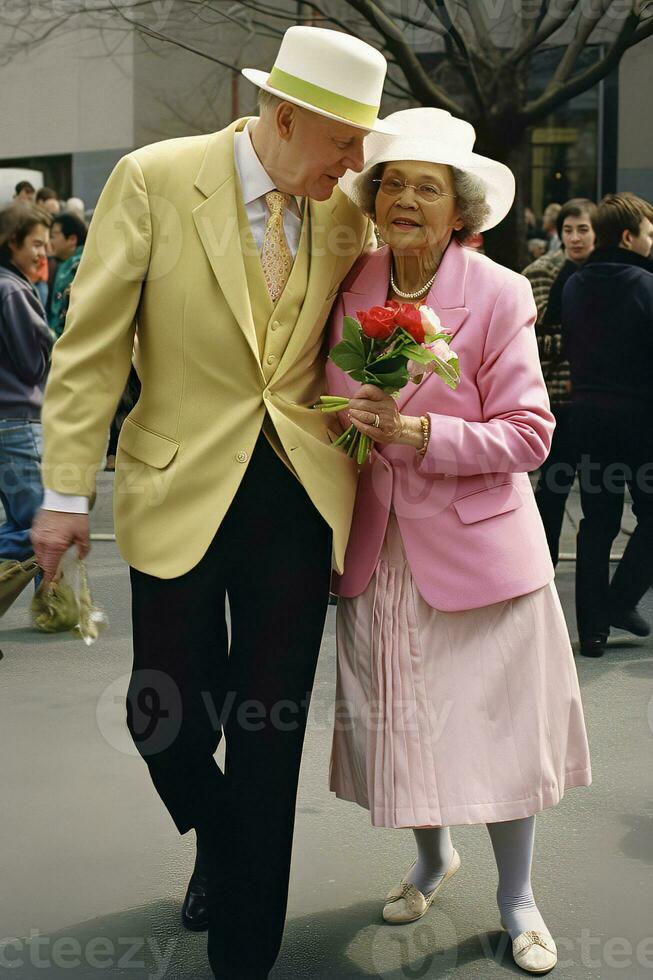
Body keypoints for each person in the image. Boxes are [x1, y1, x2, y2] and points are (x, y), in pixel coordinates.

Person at [32, 26, 388, 980]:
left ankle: (244, 951)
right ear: (284, 116)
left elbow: (360, 334)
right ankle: (226, 845)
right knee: (169, 716)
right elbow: (92, 347)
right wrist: (65, 491)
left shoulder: (345, 210)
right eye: (345, 143)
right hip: (177, 481)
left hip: (300, 497)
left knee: (268, 734)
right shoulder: (153, 178)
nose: (359, 165)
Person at [326, 107, 592, 975]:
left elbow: (528, 434)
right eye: (390, 183)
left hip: (478, 554)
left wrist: (420, 437)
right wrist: (350, 429)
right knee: (405, 725)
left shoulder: (499, 291)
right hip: (379, 550)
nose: (402, 199)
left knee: (498, 732)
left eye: (424, 188)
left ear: (458, 209)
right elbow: (325, 403)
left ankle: (517, 896)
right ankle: (434, 857)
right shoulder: (351, 280)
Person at [562, 192, 653, 658]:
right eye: (648, 234)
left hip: (588, 418)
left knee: (597, 522)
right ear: (627, 236)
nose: (651, 242)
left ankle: (592, 631)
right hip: (640, 421)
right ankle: (620, 601)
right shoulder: (644, 284)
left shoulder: (575, 285)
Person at [525, 198, 597, 565]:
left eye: (583, 229)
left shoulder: (605, 272)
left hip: (596, 402)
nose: (576, 238)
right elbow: (529, 338)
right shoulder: (540, 272)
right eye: (569, 230)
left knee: (598, 497)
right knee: (553, 489)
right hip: (555, 399)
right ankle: (542, 564)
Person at [0, 204, 53, 567]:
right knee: (43, 526)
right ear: (12, 242)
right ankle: (56, 606)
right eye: (36, 244)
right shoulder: (13, 291)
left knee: (28, 521)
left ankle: (52, 605)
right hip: (18, 422)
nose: (43, 253)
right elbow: (33, 365)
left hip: (10, 421)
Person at [48, 212, 87, 337]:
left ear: (72, 239)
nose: (48, 241)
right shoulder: (66, 264)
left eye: (52, 236)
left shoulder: (76, 267)